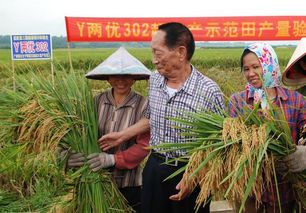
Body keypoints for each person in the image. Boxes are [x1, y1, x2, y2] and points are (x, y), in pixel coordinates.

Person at [99, 22, 225, 213]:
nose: (154, 60)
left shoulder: (208, 91)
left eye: (158, 54)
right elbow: (151, 117)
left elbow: (217, 144)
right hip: (155, 168)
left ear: (181, 52)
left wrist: (194, 175)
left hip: (189, 171)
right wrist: (123, 135)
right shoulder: (155, 80)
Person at [66, 47, 151, 212]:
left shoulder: (144, 105)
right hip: (93, 178)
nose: (121, 81)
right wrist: (68, 155)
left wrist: (113, 159)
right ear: (107, 78)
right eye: (115, 76)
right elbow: (78, 134)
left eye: (126, 76)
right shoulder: (95, 103)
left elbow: (145, 145)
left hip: (129, 183)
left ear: (134, 78)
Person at [228, 42, 306, 213]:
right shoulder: (238, 101)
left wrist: (302, 149)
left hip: (283, 188)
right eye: (246, 69)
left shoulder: (296, 101)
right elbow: (231, 142)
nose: (251, 73)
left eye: (256, 67)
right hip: (249, 188)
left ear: (270, 65)